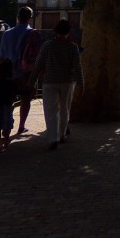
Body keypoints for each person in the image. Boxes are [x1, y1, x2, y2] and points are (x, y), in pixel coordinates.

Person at [29, 18, 84, 151]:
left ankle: (52, 138)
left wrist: (31, 82)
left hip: (49, 81)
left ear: (55, 31)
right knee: (65, 109)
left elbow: (38, 64)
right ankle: (62, 134)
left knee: (50, 110)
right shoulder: (72, 47)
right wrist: (81, 83)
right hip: (67, 82)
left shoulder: (47, 45)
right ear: (68, 32)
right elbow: (77, 66)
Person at [0, 6, 38, 135]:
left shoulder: (7, 34)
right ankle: (21, 125)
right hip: (26, 72)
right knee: (25, 98)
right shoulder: (34, 34)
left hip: (8, 72)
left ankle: (6, 125)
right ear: (30, 18)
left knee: (8, 99)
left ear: (17, 17)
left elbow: (1, 56)